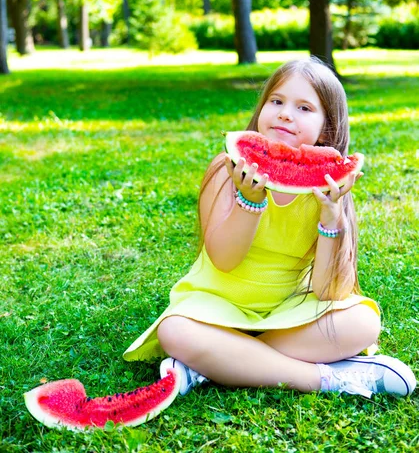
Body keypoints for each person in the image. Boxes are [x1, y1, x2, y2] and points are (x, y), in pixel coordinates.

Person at [124, 58, 416, 398]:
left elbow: (328, 290)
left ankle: (217, 364)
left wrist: (331, 217)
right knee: (176, 331)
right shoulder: (226, 170)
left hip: (288, 310)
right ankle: (329, 379)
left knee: (364, 322)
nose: (285, 114)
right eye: (276, 101)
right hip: (216, 307)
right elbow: (224, 258)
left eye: (304, 107)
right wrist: (250, 202)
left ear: (326, 128)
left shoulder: (330, 187)